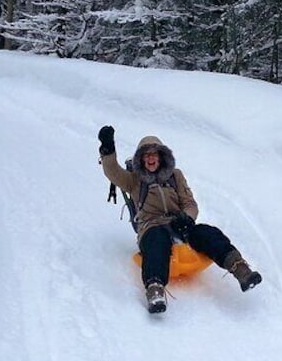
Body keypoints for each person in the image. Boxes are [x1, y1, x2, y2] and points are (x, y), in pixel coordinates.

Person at [98, 125, 262, 313]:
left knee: (208, 232)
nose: (151, 158)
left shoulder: (175, 176)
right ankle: (155, 289)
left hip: (179, 224)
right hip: (152, 227)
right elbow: (113, 172)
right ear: (142, 159)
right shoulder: (134, 180)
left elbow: (190, 203)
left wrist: (187, 218)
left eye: (154, 154)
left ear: (161, 157)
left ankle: (240, 269)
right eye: (146, 155)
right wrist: (107, 148)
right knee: (157, 240)